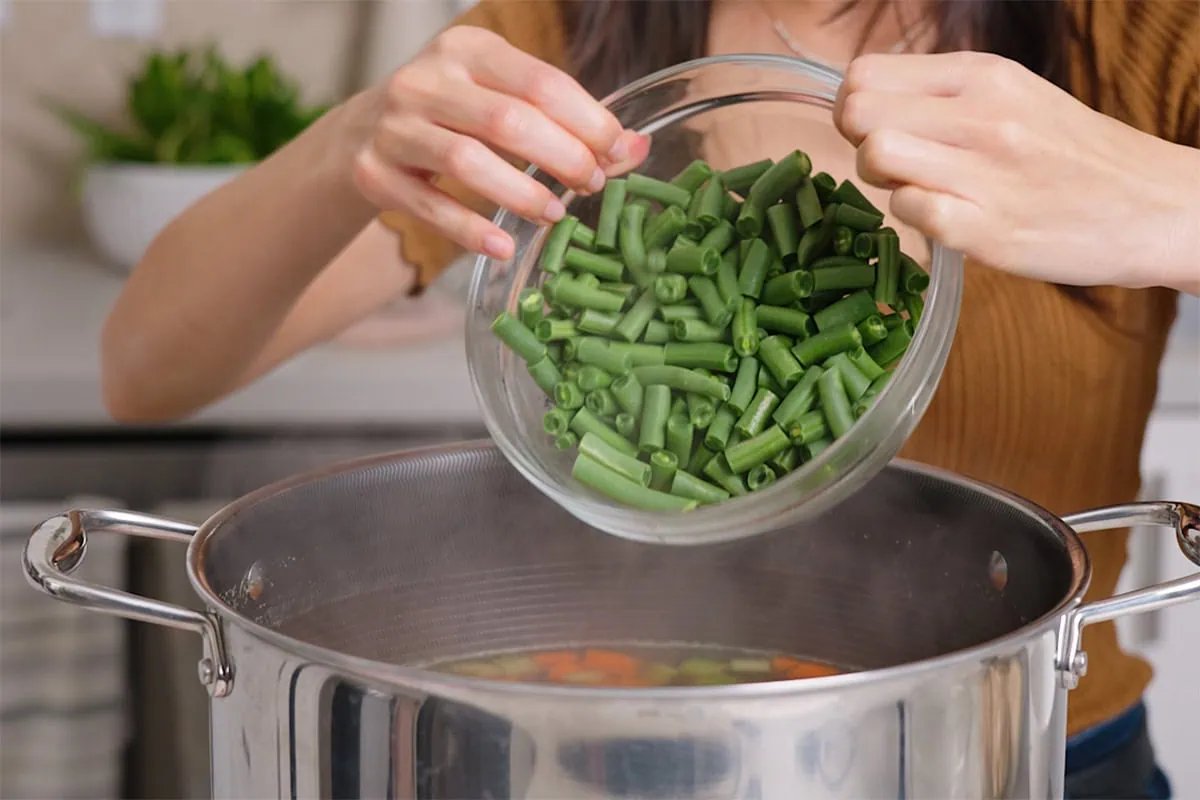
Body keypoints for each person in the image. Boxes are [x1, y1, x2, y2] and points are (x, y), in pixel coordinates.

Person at [102, 0, 1197, 795]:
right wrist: (356, 139)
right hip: (601, 761)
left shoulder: (1130, 29)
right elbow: (145, 366)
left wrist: (1164, 204)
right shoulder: (573, 41)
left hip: (1025, 755)